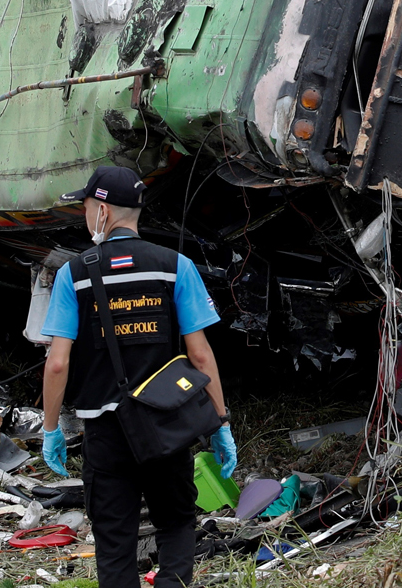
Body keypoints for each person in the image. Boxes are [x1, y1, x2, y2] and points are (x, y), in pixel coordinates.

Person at [40, 166, 235, 588]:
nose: (84, 214)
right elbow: (200, 355)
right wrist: (220, 423)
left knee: (114, 539)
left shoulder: (73, 275)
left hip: (106, 431)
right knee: (177, 524)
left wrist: (51, 428)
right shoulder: (174, 266)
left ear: (104, 211)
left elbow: (57, 362)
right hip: (166, 425)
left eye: (87, 206)